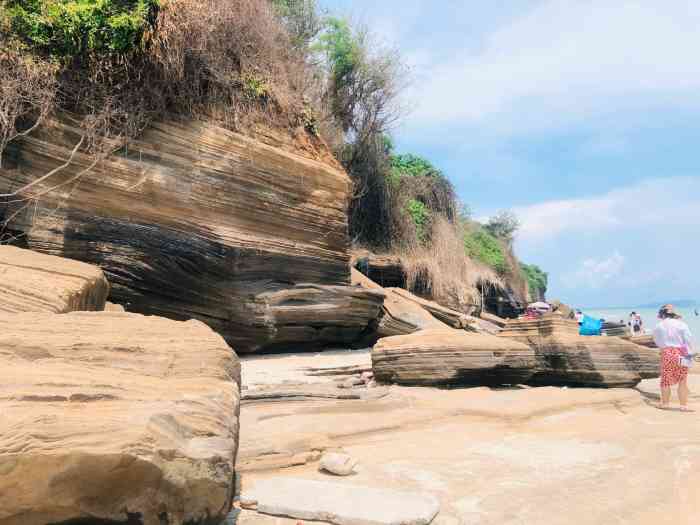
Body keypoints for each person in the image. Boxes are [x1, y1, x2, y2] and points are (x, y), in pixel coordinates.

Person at [653, 304, 695, 411]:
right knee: (683, 380)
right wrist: (689, 355)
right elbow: (688, 340)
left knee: (666, 380)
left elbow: (657, 341)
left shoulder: (659, 326)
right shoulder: (682, 324)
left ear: (662, 314)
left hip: (668, 352)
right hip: (682, 352)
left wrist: (663, 348)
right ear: (673, 314)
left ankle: (665, 404)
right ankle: (683, 405)